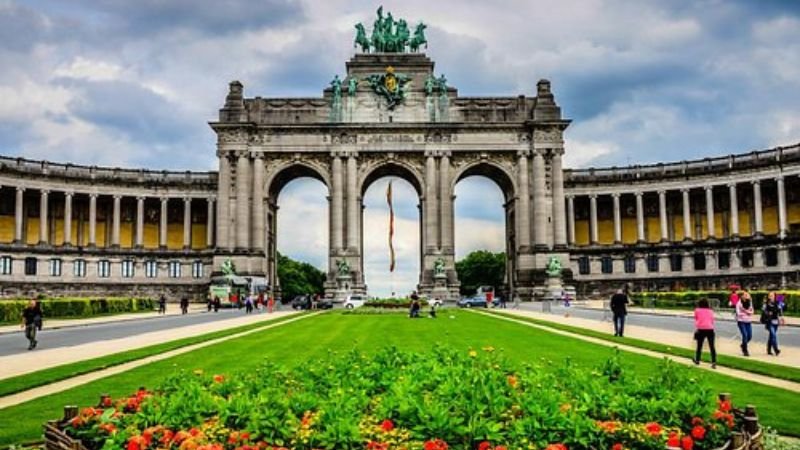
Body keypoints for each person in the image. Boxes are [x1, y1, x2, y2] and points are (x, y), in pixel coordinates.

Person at [693, 298, 717, 368]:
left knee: (699, 346)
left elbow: (696, 319)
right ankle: (714, 362)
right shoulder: (710, 311)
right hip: (710, 329)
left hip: (701, 329)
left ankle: (697, 360)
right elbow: (712, 320)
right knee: (712, 347)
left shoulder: (697, 310)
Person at [762, 292, 785, 356]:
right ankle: (776, 350)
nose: (771, 297)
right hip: (769, 322)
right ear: (768, 296)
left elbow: (780, 312)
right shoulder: (766, 303)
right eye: (770, 295)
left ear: (775, 296)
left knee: (771, 336)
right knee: (773, 335)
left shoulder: (777, 303)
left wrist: (782, 319)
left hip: (776, 322)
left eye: (772, 295)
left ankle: (768, 349)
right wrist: (768, 313)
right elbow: (763, 311)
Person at [735, 291, 754, 356]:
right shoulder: (739, 303)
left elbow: (752, 312)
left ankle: (743, 345)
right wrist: (746, 312)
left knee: (749, 336)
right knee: (745, 335)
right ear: (742, 296)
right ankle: (745, 350)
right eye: (745, 295)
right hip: (741, 321)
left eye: (747, 295)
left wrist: (746, 311)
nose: (746, 296)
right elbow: (738, 313)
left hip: (748, 321)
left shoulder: (750, 302)